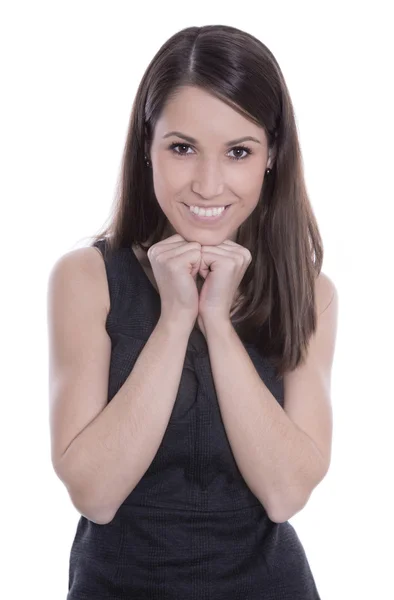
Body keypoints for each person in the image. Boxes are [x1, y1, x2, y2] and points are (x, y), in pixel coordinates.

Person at [47, 24, 338, 598]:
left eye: (238, 152)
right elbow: (96, 495)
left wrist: (218, 323)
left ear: (271, 155)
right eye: (182, 148)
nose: (208, 185)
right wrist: (175, 317)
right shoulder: (86, 279)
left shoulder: (311, 292)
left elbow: (285, 493)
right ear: (146, 146)